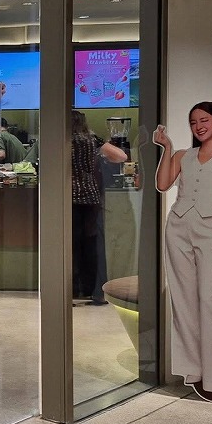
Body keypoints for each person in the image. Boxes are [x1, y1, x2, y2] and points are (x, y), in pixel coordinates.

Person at [153, 102, 212, 401]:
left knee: (210, 298)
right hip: (178, 228)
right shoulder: (183, 155)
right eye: (193, 122)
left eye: (204, 120)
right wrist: (167, 147)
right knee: (183, 299)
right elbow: (162, 184)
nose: (199, 126)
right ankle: (193, 368)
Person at [72, 111, 127, 304]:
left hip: (67, 197)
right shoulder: (92, 139)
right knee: (92, 245)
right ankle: (96, 291)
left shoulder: (62, 140)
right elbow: (121, 156)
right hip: (91, 198)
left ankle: (71, 290)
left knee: (70, 246)